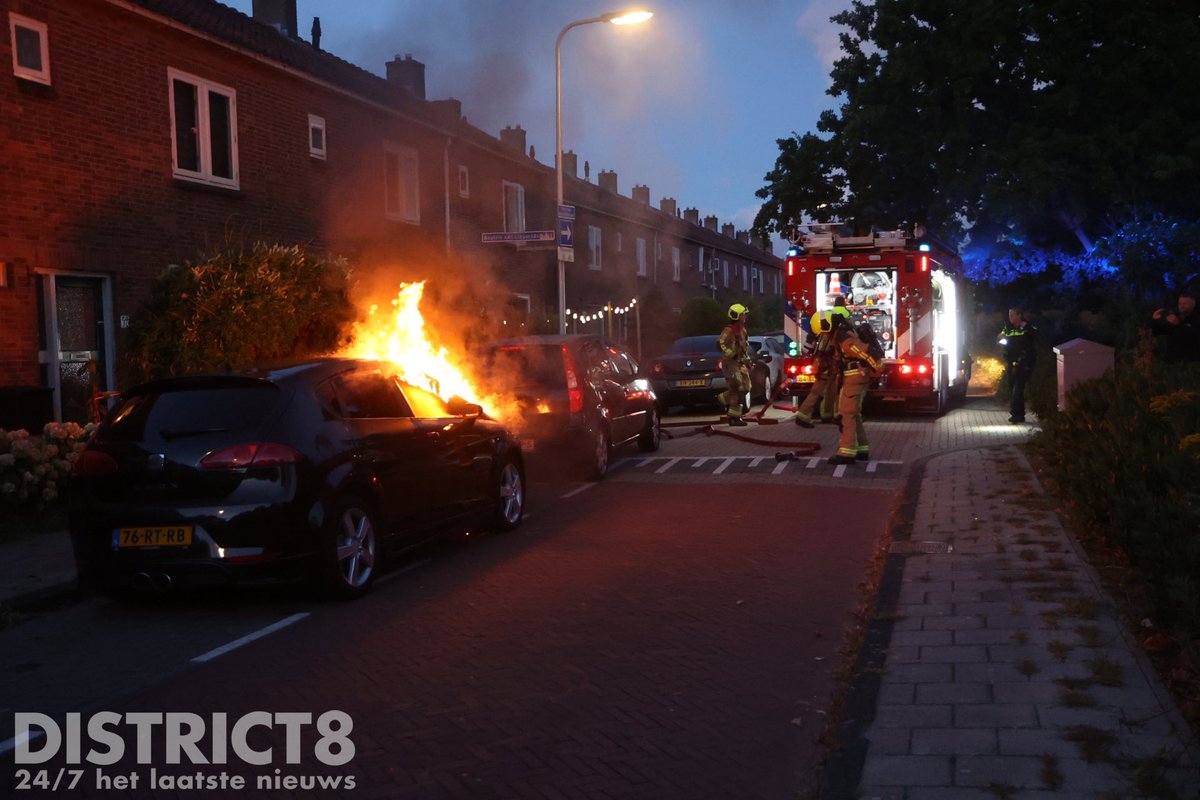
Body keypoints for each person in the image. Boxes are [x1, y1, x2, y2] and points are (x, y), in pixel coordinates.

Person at [827, 312, 881, 464]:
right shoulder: (842, 333)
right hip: (855, 376)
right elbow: (840, 357)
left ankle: (846, 452)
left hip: (854, 377)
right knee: (854, 413)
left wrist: (878, 366)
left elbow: (860, 350)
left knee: (846, 414)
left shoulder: (844, 337)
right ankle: (862, 448)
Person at [794, 306, 847, 428]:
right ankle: (802, 416)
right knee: (816, 392)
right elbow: (828, 353)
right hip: (825, 367)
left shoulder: (827, 334)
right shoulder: (828, 336)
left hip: (828, 367)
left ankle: (827, 415)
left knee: (831, 391)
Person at [998, 307, 1037, 424]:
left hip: (1025, 361)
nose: (1010, 318)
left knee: (1018, 387)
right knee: (1012, 386)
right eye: (1009, 315)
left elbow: (1037, 334)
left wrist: (1026, 328)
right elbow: (1000, 337)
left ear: (1019, 315)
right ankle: (1019, 413)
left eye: (1012, 315)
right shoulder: (1008, 328)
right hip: (1012, 361)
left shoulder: (1027, 327)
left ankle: (1016, 414)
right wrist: (1002, 340)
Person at [719, 303, 753, 426]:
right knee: (736, 387)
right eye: (744, 314)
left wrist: (748, 362)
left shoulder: (743, 330)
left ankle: (723, 398)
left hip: (739, 363)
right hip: (730, 363)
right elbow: (720, 344)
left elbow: (743, 349)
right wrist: (730, 354)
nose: (745, 316)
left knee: (746, 387)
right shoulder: (728, 330)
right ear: (738, 316)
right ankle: (734, 418)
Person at [1150, 288, 1200, 362]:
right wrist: (1155, 321)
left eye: (1185, 304)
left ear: (1192, 305)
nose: (1181, 306)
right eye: (1180, 303)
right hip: (1172, 359)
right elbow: (1157, 332)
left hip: (1190, 361)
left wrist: (1179, 325)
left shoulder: (1197, 318)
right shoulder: (1174, 315)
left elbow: (1194, 335)